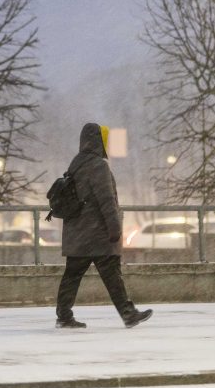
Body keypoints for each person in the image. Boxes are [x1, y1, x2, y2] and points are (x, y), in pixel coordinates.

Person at [55, 122, 153, 329]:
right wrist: (115, 227)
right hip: (97, 234)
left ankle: (63, 316)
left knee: (72, 276)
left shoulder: (77, 163)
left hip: (77, 234)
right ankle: (128, 314)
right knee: (112, 275)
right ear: (99, 141)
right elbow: (107, 200)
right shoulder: (98, 166)